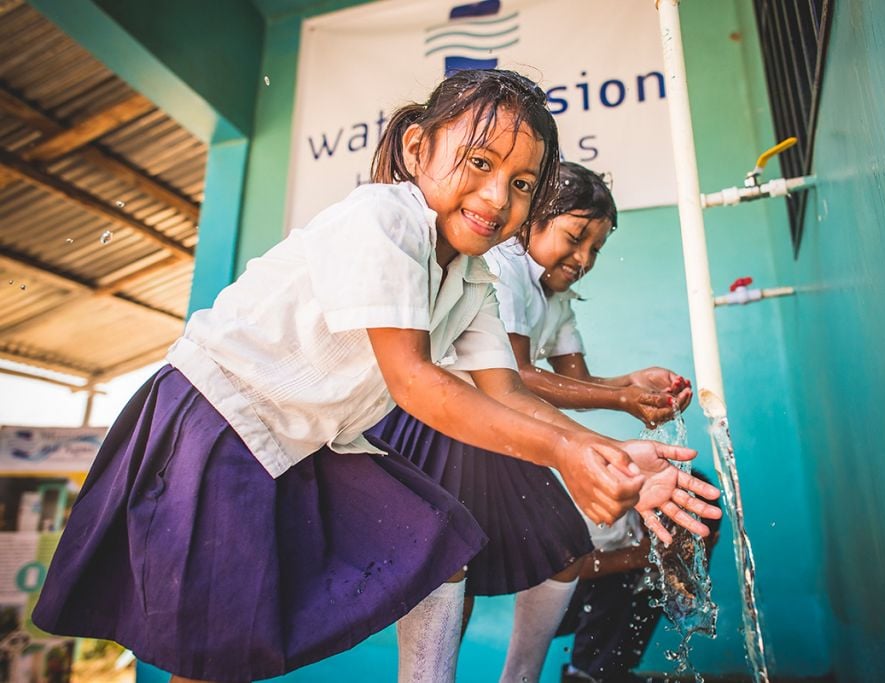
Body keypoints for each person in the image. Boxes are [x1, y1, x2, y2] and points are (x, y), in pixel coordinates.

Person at [30, 69, 717, 683]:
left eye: (520, 184)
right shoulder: (383, 218)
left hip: (311, 436)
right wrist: (571, 450)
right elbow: (414, 380)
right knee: (214, 649)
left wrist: (612, 452)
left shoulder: (473, 273)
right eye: (478, 162)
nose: (494, 195)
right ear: (417, 148)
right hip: (219, 415)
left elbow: (504, 387)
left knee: (435, 535)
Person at [369, 162, 721, 683]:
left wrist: (630, 384)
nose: (583, 259)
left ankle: (534, 674)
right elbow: (512, 379)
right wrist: (621, 402)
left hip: (500, 431)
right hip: (459, 429)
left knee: (547, 548)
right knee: (462, 567)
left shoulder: (557, 296)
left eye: (595, 249)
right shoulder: (504, 270)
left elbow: (574, 382)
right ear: (535, 221)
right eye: (575, 237)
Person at [558, 470, 722, 683]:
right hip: (555, 602)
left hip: (618, 584)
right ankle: (584, 673)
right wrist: (638, 557)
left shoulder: (697, 538)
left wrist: (686, 571)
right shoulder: (609, 513)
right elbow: (562, 567)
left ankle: (612, 671)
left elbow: (685, 610)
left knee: (654, 584)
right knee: (622, 578)